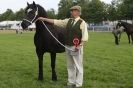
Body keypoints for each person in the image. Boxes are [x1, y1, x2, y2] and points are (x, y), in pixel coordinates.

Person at [38, 5, 89, 88]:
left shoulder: (82, 22)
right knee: (70, 66)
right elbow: (56, 21)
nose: (71, 12)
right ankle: (71, 82)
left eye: (73, 10)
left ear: (78, 12)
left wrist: (80, 45)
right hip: (68, 46)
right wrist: (44, 19)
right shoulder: (68, 21)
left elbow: (85, 35)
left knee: (78, 66)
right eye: (71, 10)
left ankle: (78, 84)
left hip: (76, 47)